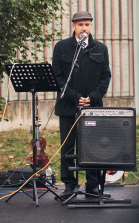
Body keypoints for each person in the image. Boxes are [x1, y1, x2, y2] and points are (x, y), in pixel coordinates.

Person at [52, 11, 111, 199]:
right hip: (68, 107)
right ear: (73, 26)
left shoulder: (100, 48)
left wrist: (92, 98)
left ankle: (92, 185)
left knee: (91, 146)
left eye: (87, 24)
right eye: (80, 25)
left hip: (92, 108)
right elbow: (57, 77)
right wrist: (74, 97)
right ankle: (70, 185)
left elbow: (105, 76)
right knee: (68, 146)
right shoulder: (61, 47)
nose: (83, 28)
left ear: (91, 26)